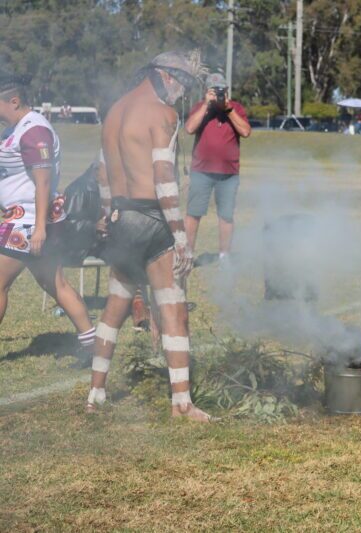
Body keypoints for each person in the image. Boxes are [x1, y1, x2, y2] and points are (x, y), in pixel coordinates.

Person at [88, 51, 211, 422]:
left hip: (122, 217)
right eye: (184, 84)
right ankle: (181, 404)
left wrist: (108, 213)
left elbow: (102, 170)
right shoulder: (162, 114)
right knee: (172, 307)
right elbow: (163, 180)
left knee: (114, 307)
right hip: (153, 219)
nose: (182, 93)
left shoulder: (114, 111)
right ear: (166, 77)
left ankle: (95, 393)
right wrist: (180, 236)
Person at [0, 71, 96, 364]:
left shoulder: (34, 131)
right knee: (55, 284)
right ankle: (93, 345)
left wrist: (40, 228)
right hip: (23, 219)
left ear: (14, 101)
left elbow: (43, 182)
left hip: (27, 222)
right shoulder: (16, 128)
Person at [184, 73, 251, 262]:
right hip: (201, 172)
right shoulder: (200, 108)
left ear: (227, 91)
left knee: (226, 216)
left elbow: (245, 131)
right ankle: (188, 254)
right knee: (193, 213)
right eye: (215, 91)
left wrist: (229, 109)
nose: (219, 94)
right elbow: (189, 129)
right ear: (207, 91)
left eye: (222, 90)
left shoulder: (235, 108)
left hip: (229, 174)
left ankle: (224, 257)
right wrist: (206, 105)